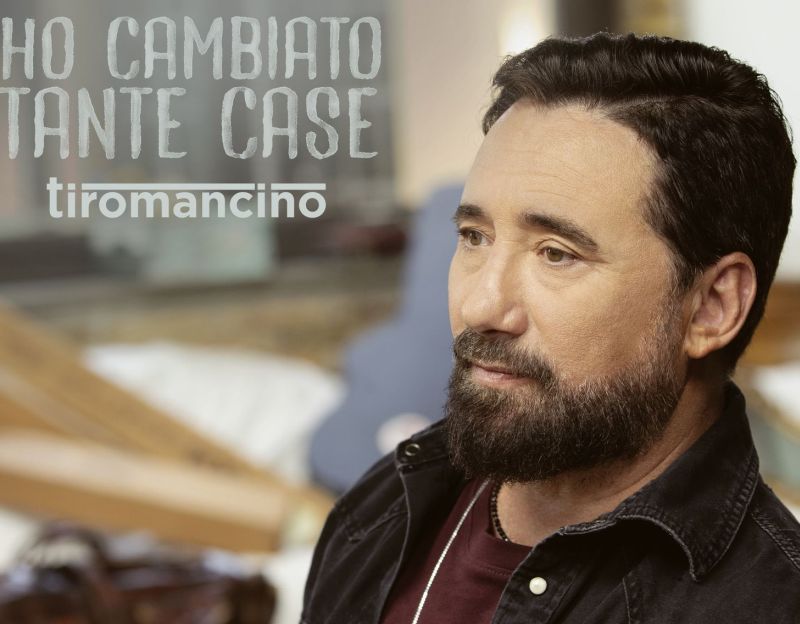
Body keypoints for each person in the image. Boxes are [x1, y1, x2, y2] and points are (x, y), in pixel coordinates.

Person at [301, 32, 800, 623]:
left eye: (556, 253)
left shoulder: (768, 606)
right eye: (475, 237)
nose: (482, 306)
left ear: (711, 307)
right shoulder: (382, 509)